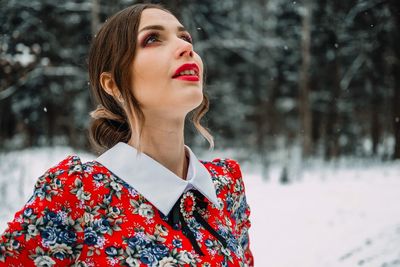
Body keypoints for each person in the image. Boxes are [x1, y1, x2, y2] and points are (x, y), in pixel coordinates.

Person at [0, 3, 253, 266]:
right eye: (153, 39)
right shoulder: (77, 194)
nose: (185, 47)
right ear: (113, 84)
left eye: (185, 37)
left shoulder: (225, 187)